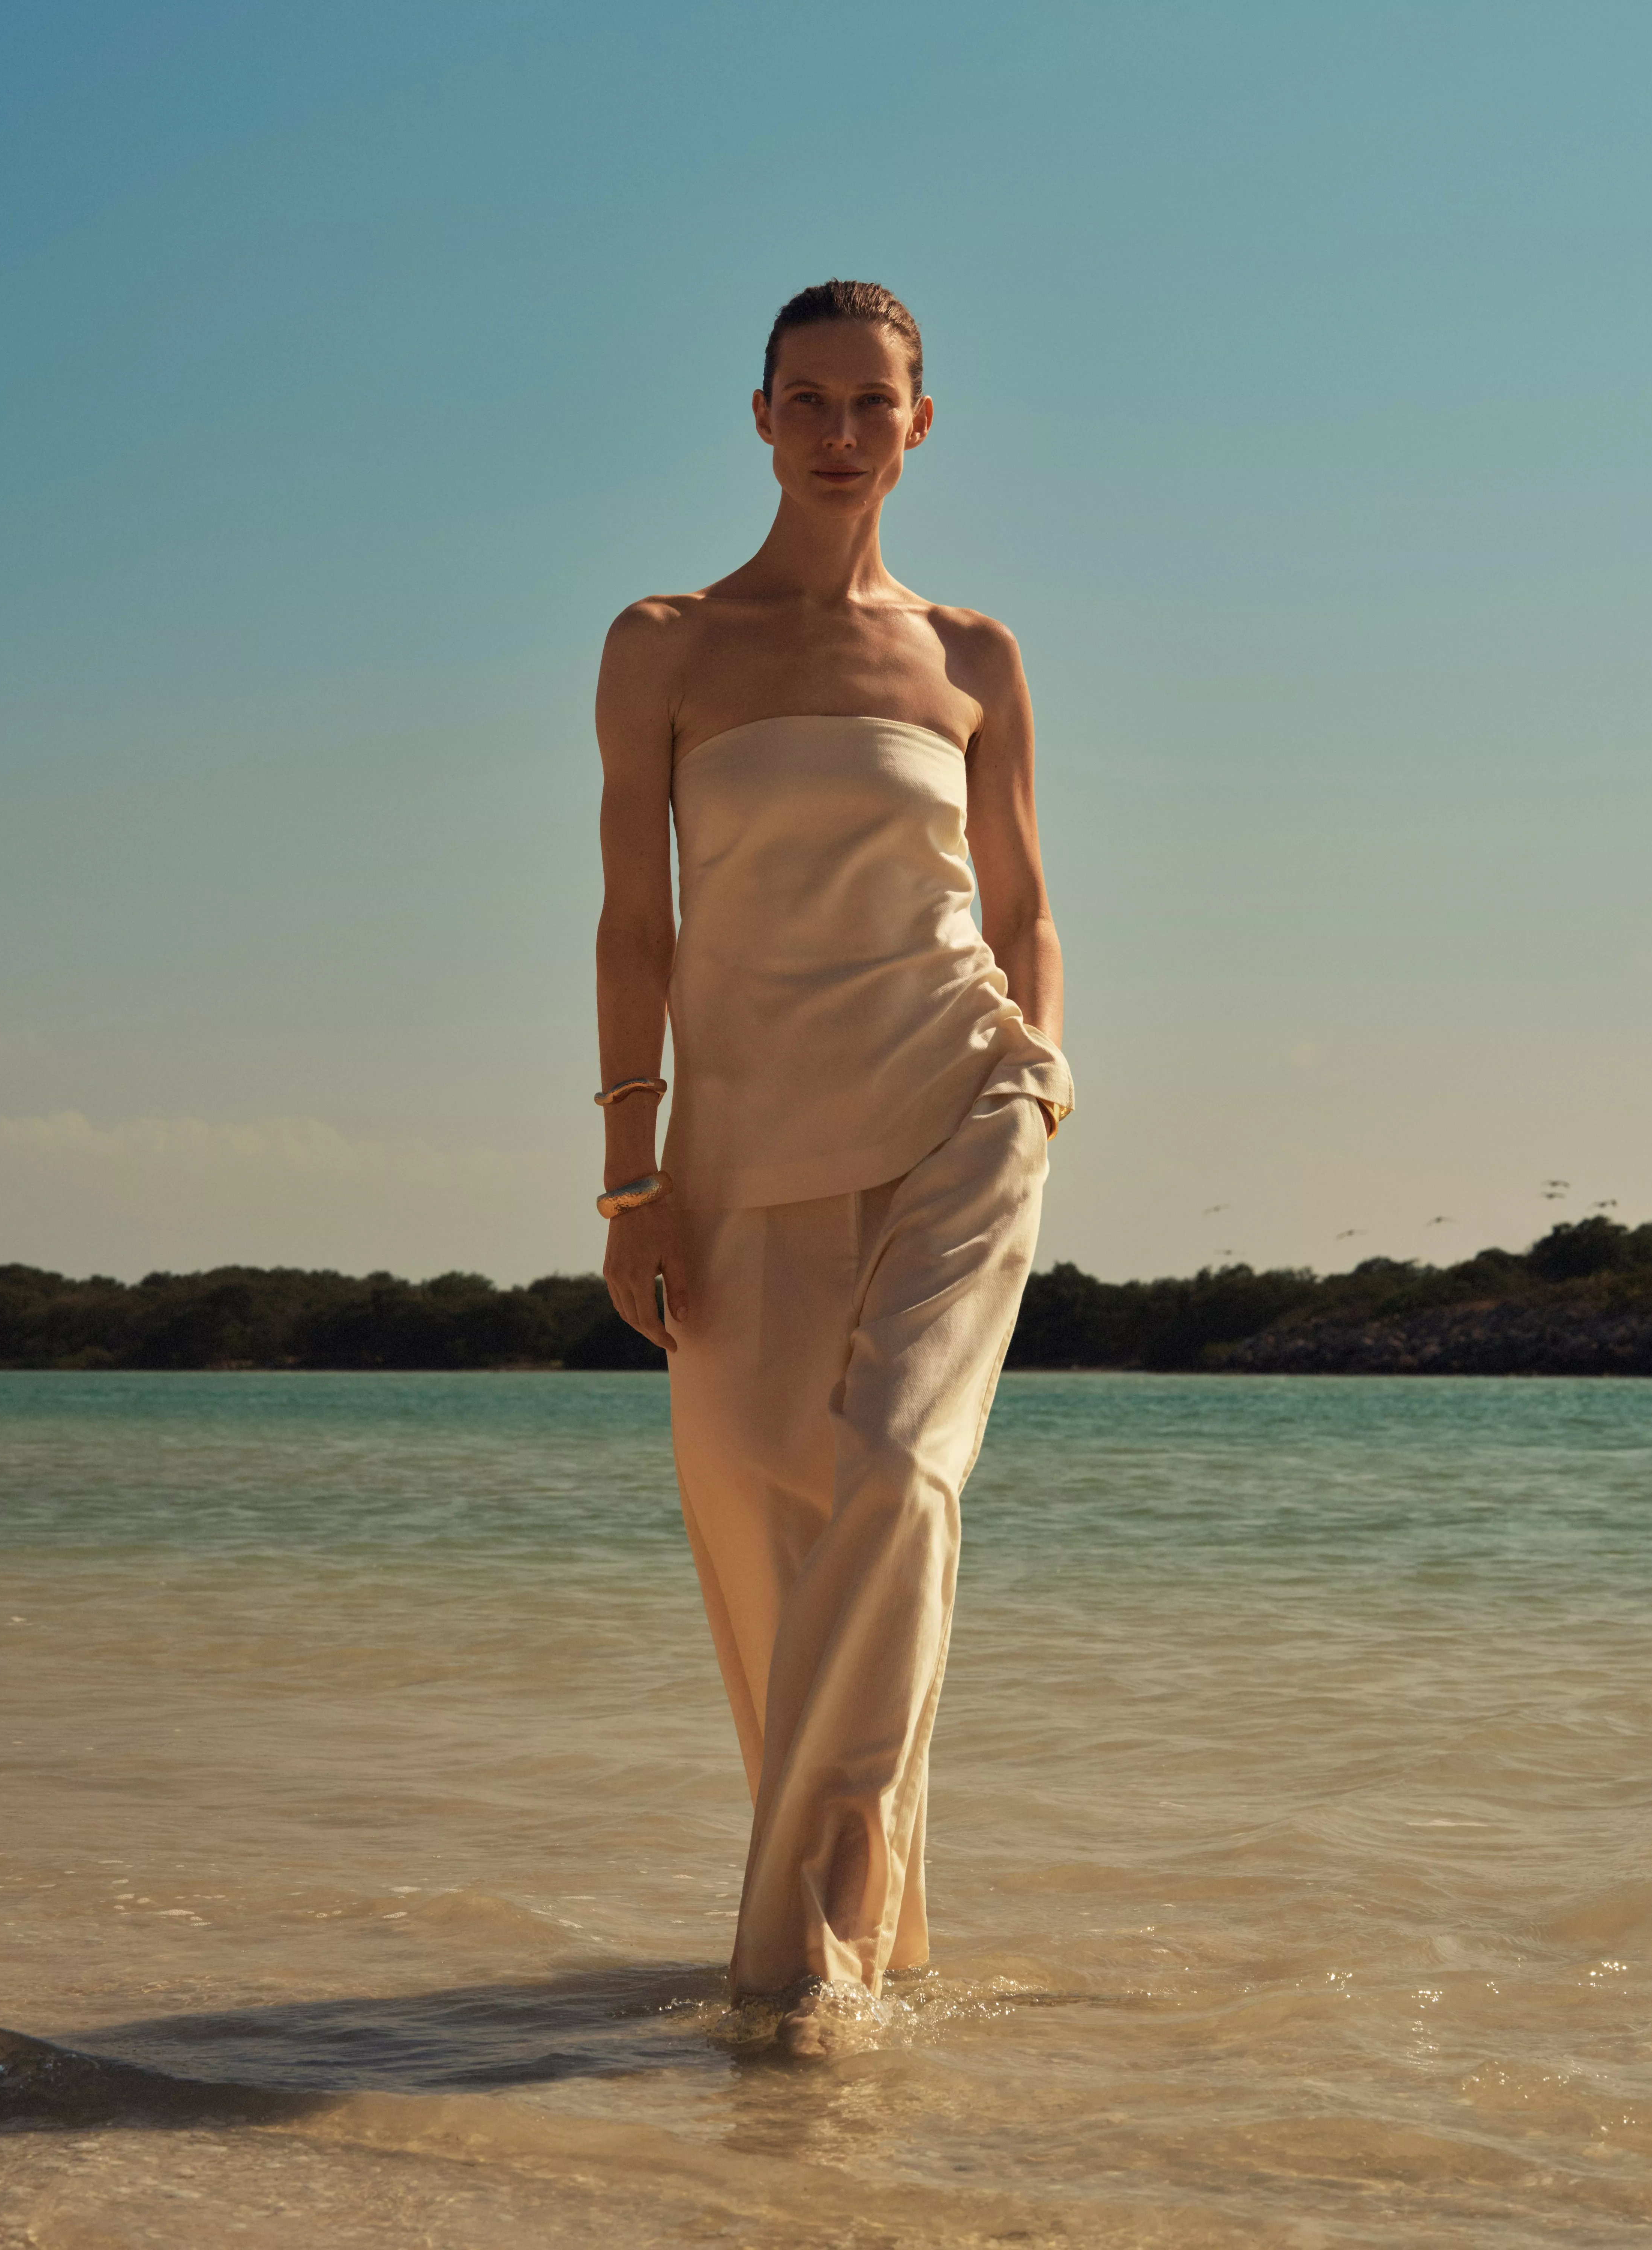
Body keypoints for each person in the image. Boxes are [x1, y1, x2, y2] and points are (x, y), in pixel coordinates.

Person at [590, 279, 1072, 2058]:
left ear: (918, 427)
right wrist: (630, 1180)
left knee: (892, 1476)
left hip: (959, 1102)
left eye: (873, 404)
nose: (840, 433)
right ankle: (876, 1928)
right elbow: (634, 927)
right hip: (736, 1141)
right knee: (768, 1529)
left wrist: (1040, 1083)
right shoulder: (664, 644)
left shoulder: (971, 658)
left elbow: (1018, 907)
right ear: (760, 418)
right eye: (808, 401)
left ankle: (795, 1967)